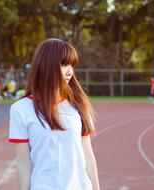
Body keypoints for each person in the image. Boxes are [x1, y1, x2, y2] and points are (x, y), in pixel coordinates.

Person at [9, 38, 100, 190]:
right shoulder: (21, 109)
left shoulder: (78, 106)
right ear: (46, 66)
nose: (70, 71)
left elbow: (88, 154)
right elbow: (23, 163)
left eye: (72, 65)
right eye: (64, 65)